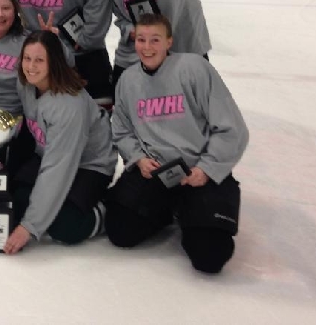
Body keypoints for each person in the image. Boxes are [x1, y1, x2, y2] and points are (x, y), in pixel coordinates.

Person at [105, 14, 248, 274]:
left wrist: (206, 169)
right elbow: (122, 130)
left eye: (155, 40)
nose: (147, 47)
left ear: (169, 42)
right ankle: (169, 209)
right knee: (120, 232)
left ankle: (191, 210)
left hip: (199, 173)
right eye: (141, 40)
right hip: (156, 173)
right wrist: (138, 158)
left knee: (210, 257)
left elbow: (232, 129)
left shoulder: (194, 69)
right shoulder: (127, 80)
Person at [3, 31, 118, 255]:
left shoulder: (68, 106)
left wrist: (29, 227)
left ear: (53, 62)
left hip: (90, 165)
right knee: (19, 200)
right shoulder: (26, 84)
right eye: (27, 58)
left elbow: (57, 169)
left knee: (66, 226)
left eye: (39, 60)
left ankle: (109, 206)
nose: (31, 66)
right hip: (51, 154)